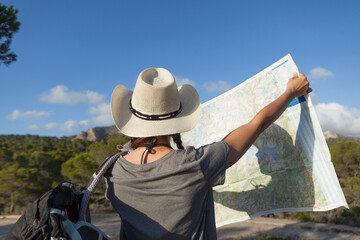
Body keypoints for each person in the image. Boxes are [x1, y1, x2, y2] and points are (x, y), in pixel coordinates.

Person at [105, 67, 311, 239]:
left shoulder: (112, 169)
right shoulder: (195, 164)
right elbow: (257, 124)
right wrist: (290, 93)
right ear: (175, 120)